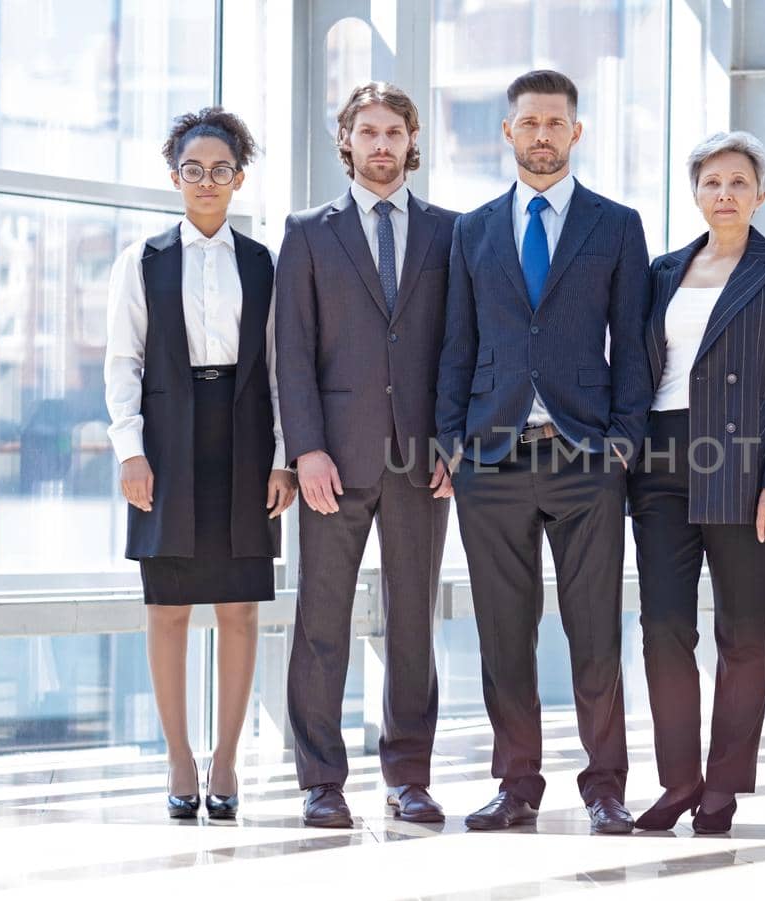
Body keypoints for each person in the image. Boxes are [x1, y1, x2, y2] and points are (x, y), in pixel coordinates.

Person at [435, 69, 652, 835]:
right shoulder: (473, 230)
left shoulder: (616, 225)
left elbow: (632, 344)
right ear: (508, 132)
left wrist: (625, 438)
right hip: (490, 459)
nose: (541, 135)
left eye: (555, 123)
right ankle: (517, 783)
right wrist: (451, 443)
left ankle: (605, 787)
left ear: (576, 132)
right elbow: (455, 347)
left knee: (593, 627)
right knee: (504, 631)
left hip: (585, 453)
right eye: (528, 123)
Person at [103, 107, 296, 821]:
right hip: (165, 438)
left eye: (220, 170)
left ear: (239, 178)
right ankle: (179, 757)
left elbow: (280, 366)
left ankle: (225, 760)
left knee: (240, 607)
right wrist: (130, 449)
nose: (207, 181)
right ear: (175, 176)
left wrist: (282, 459)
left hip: (244, 439)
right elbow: (122, 361)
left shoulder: (262, 261)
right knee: (168, 607)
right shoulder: (142, 260)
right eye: (193, 169)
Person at [275, 82, 459, 829]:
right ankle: (322, 780)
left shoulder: (451, 233)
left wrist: (453, 438)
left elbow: (460, 347)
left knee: (413, 618)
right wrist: (306, 450)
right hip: (334, 462)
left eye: (394, 132)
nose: (381, 145)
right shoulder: (308, 232)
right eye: (368, 131)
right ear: (345, 140)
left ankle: (408, 774)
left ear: (412, 141)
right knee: (322, 620)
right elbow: (290, 350)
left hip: (422, 458)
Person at [630, 131, 765, 835]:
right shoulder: (662, 270)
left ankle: (722, 788)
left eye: (739, 182)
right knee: (664, 627)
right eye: (712, 182)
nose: (725, 194)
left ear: (761, 193)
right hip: (662, 462)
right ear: (696, 192)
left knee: (742, 632)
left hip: (744, 463)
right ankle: (679, 780)